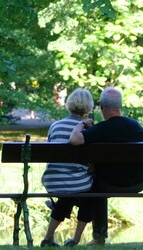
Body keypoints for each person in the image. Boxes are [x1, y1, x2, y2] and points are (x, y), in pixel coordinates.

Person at [69, 87, 143, 246]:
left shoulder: (101, 129)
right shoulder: (136, 127)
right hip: (138, 183)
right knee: (99, 184)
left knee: (96, 187)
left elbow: (75, 140)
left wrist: (82, 124)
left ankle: (99, 237)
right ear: (120, 106)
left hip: (109, 185)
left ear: (102, 107)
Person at [40, 88, 95, 248]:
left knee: (68, 195)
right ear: (89, 107)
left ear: (69, 104)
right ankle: (75, 239)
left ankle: (48, 237)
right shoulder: (88, 129)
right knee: (90, 194)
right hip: (76, 183)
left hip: (52, 181)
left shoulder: (55, 126)